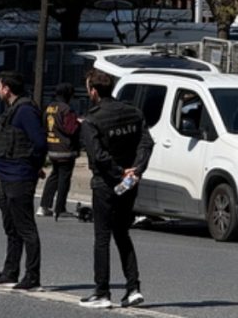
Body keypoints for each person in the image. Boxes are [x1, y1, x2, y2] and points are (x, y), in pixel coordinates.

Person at [78, 68, 154, 309]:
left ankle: (102, 292)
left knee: (102, 238)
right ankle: (133, 288)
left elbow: (98, 156)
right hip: (129, 184)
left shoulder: (92, 120)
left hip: (106, 183)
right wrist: (136, 170)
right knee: (122, 233)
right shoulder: (133, 112)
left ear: (93, 91)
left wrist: (119, 172)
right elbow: (147, 143)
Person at [0, 70, 46, 291]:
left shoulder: (25, 111)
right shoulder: (13, 110)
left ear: (7, 88)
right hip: (6, 178)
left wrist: (33, 166)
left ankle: (32, 276)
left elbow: (40, 143)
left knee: (26, 228)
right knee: (11, 228)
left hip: (20, 177)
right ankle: (10, 272)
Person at [38, 82, 80, 220]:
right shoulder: (66, 109)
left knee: (54, 176)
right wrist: (80, 124)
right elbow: (71, 129)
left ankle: (44, 206)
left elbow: (44, 126)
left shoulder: (50, 107)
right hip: (65, 150)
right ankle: (60, 208)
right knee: (64, 179)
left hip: (52, 148)